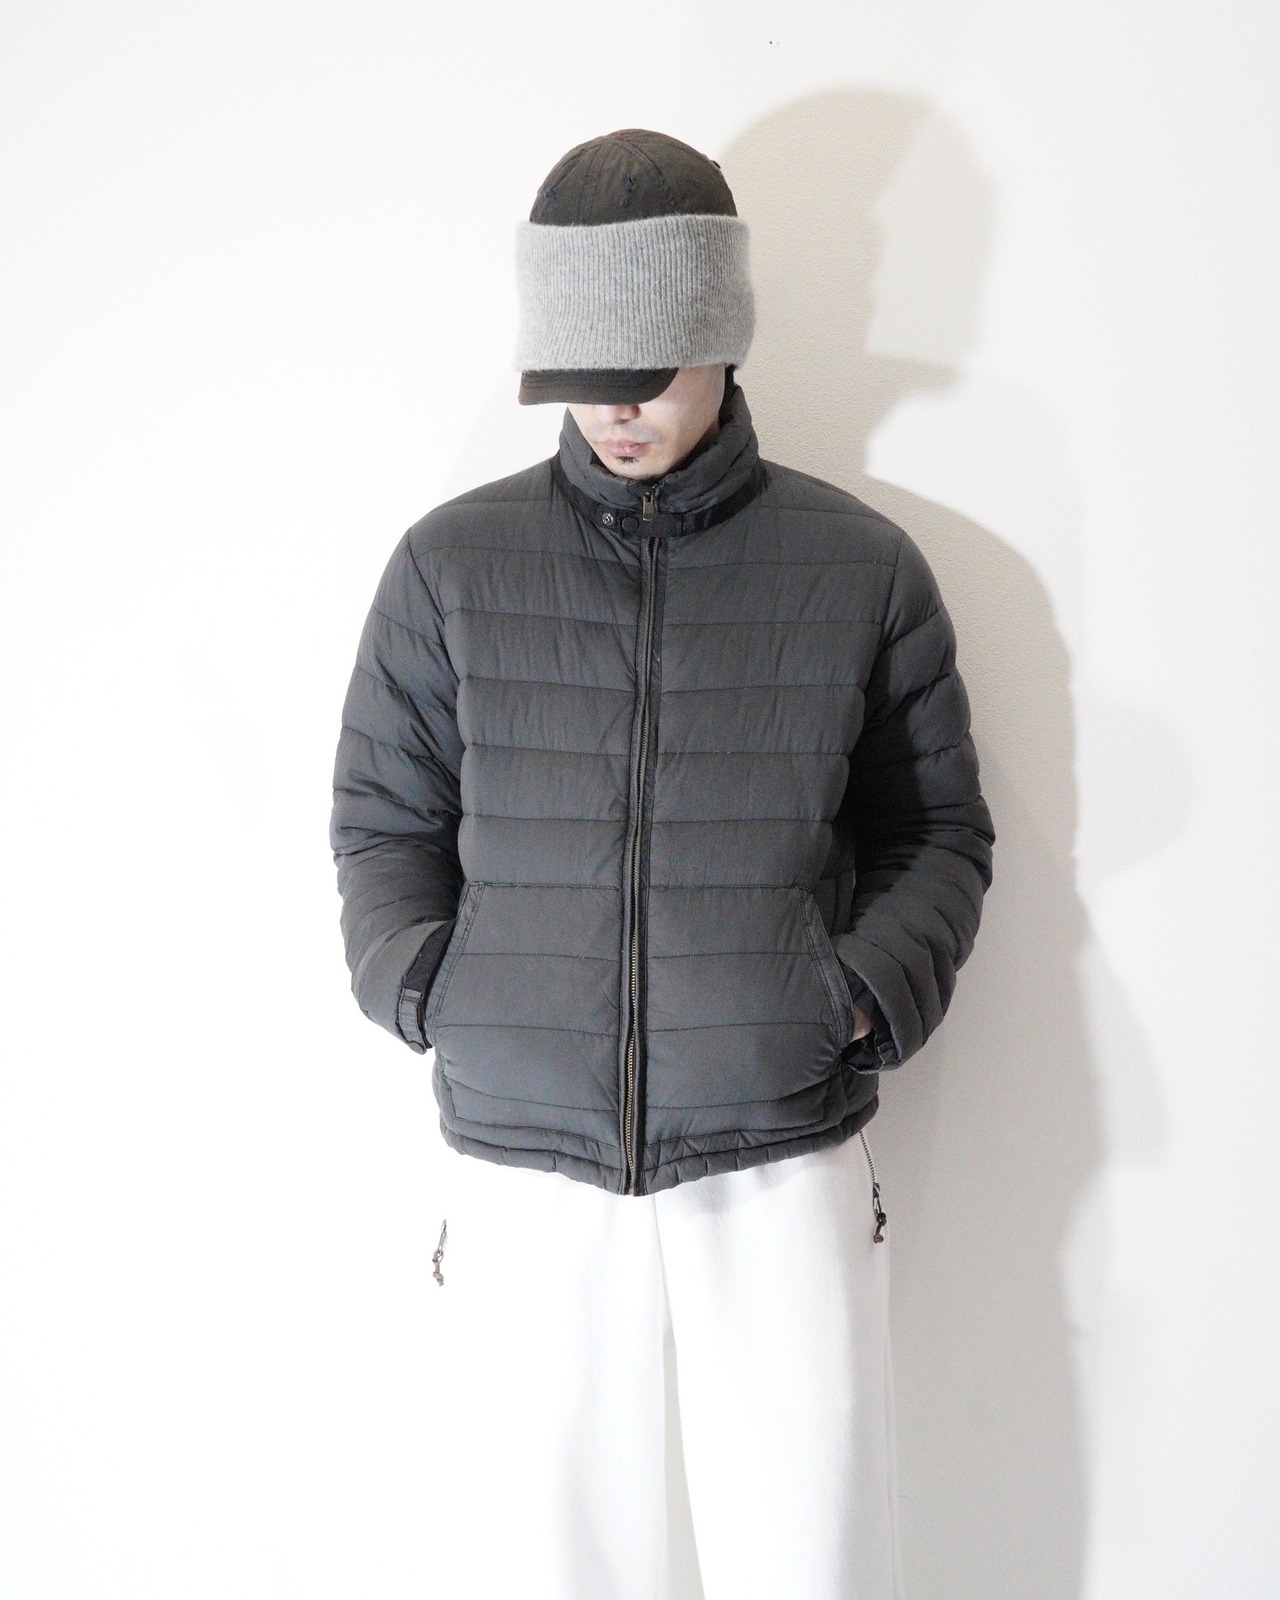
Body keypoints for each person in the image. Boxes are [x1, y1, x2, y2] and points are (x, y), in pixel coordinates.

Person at [330, 128, 994, 1600]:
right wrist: (440, 992)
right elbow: (381, 821)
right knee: (547, 1566)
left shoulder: (859, 568)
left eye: (650, 373)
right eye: (583, 378)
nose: (617, 411)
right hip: (527, 1158)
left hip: (778, 1148)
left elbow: (937, 830)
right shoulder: (451, 566)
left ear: (724, 336)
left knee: (812, 1557)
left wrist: (850, 1001)